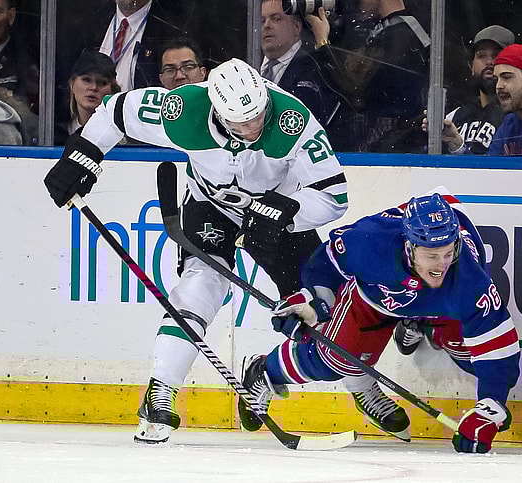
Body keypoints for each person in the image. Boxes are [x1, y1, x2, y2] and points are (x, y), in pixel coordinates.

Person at [43, 58, 348, 444]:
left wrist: (288, 214)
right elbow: (114, 112)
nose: (253, 128)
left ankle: (322, 383)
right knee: (202, 286)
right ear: (218, 112)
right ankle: (161, 391)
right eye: (241, 122)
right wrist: (82, 157)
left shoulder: (292, 120)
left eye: (257, 115)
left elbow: (335, 196)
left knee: (326, 305)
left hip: (275, 212)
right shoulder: (183, 109)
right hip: (211, 206)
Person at [236, 189, 520, 452]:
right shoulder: (371, 242)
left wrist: (490, 406)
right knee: (338, 359)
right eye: (431, 255)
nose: (442, 264)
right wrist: (316, 303)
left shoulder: (469, 279)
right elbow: (326, 262)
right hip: (375, 298)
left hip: (441, 308)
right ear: (409, 247)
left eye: (448, 253)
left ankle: (421, 325)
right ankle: (264, 372)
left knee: (469, 356)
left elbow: (497, 348)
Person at [306, 0, 430, 153]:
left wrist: (323, 44)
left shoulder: (401, 35)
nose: (357, 4)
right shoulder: (387, 30)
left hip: (392, 145)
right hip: (382, 139)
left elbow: (357, 92)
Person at [422, 25, 515, 155]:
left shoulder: (519, 116)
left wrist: (457, 145)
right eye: (481, 55)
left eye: (496, 55)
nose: (489, 62)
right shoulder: (453, 117)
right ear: (472, 66)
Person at [260, 0, 342, 131]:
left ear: (297, 27)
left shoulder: (313, 69)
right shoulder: (247, 63)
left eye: (276, 19)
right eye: (262, 20)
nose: (267, 25)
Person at [54, 50, 121, 145]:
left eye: (102, 82)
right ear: (72, 85)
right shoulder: (53, 133)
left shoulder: (119, 134)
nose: (94, 87)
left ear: (112, 90)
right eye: (86, 80)